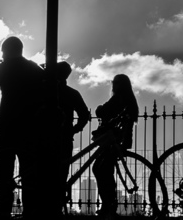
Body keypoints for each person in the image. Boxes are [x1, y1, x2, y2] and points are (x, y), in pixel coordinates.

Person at [0, 36, 45, 218]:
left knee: (5, 172)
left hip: (7, 125)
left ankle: (4, 209)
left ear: (7, 51)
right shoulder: (33, 68)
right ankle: (30, 210)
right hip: (29, 126)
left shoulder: (3, 68)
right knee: (28, 170)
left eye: (3, 50)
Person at [92, 74, 139, 219]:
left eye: (116, 82)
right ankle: (108, 205)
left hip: (112, 141)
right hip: (118, 141)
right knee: (104, 170)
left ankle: (108, 205)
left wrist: (100, 108)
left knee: (102, 170)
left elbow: (102, 111)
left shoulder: (119, 97)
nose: (114, 85)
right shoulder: (128, 100)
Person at [56, 61, 90, 188]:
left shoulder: (43, 91)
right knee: (61, 175)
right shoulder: (72, 93)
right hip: (65, 138)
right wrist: (74, 130)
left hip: (44, 138)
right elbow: (84, 115)